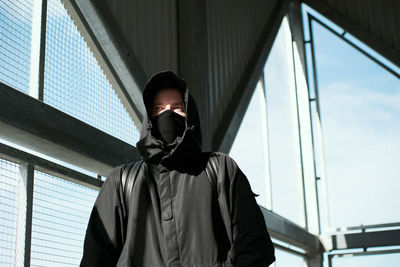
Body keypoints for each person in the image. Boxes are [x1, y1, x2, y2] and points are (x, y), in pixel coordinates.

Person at [80, 71, 275, 267]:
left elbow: (254, 248)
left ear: (190, 116)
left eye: (177, 108)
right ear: (148, 118)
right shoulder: (121, 181)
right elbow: (95, 259)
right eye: (158, 108)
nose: (167, 114)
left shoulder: (221, 169)